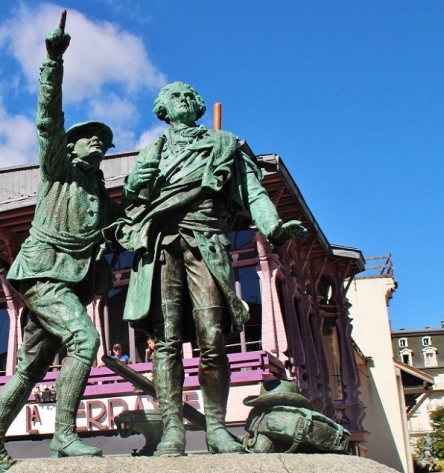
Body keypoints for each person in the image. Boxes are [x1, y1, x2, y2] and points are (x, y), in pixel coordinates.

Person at [107, 82, 307, 456]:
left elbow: (253, 191)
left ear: (197, 105)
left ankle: (216, 427)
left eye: (188, 95)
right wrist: (138, 180)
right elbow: (133, 198)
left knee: (212, 337)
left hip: (206, 245)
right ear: (163, 110)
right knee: (165, 343)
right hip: (162, 248)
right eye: (174, 96)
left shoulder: (223, 145)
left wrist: (274, 226)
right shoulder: (154, 150)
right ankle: (172, 430)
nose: (182, 100)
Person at [0, 21, 120, 470]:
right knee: (84, 338)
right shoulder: (59, 167)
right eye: (91, 135)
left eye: (105, 140)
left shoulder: (100, 196)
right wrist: (53, 63)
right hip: (43, 270)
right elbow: (48, 119)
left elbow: (125, 230)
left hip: (68, 280)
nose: (99, 141)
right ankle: (63, 437)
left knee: (32, 368)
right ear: (72, 145)